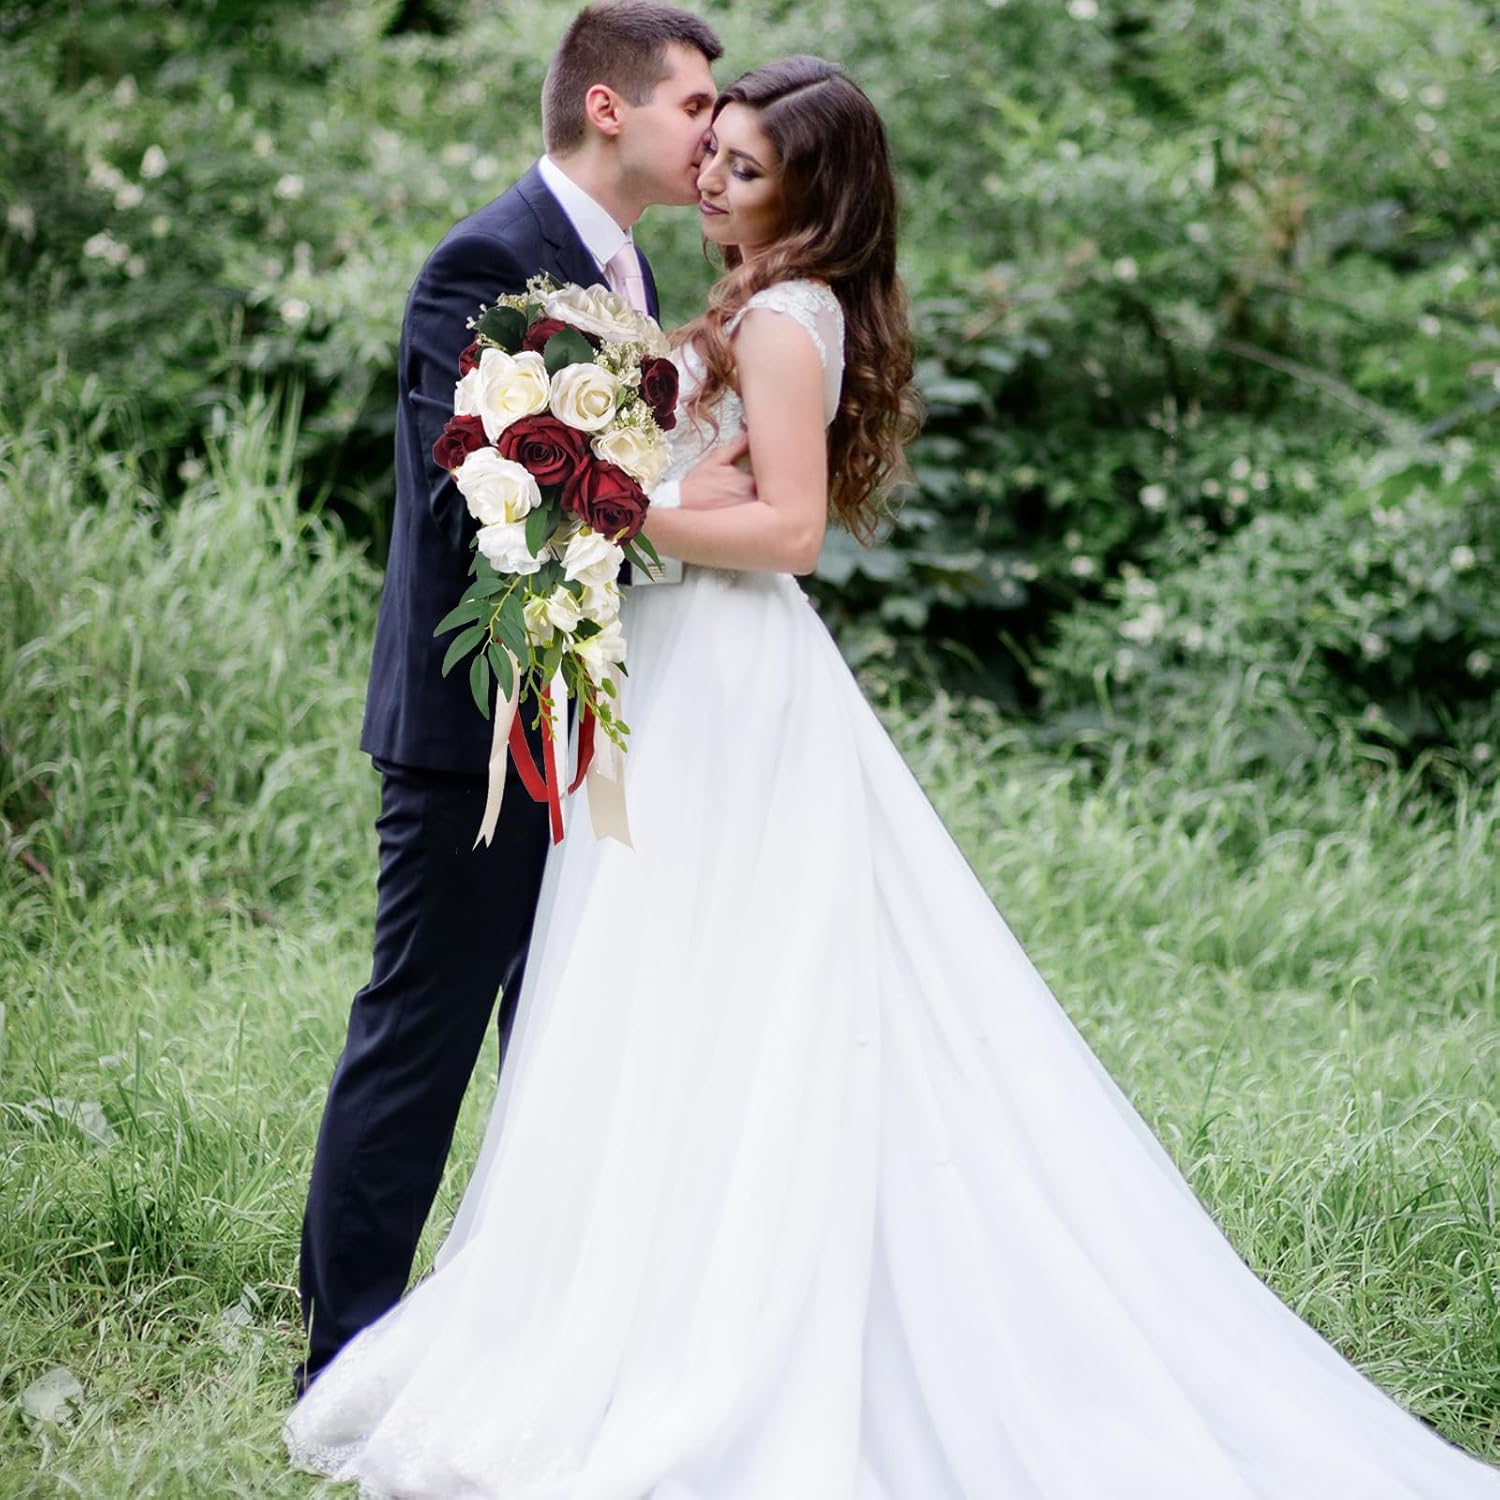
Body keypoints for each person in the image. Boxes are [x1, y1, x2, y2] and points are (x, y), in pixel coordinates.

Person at [286, 55, 1500, 1498]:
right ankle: (596, 1299)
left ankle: (692, 1320)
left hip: (725, 682)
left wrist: (629, 511)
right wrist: (648, 494)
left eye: (744, 164)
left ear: (812, 192)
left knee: (714, 992)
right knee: (642, 997)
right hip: (656, 681)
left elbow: (789, 530)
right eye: (711, 147)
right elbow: (616, 476)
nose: (713, 174)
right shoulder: (702, 293)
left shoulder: (781, 317)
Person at [295, 0, 757, 1397]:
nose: (712, 135)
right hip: (475, 735)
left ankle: (530, 1342)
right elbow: (481, 492)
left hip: (595, 724)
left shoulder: (632, 267)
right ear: (610, 106)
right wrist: (664, 516)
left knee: (565, 1043)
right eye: (694, 106)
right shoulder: (485, 263)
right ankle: (344, 1357)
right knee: (422, 1037)